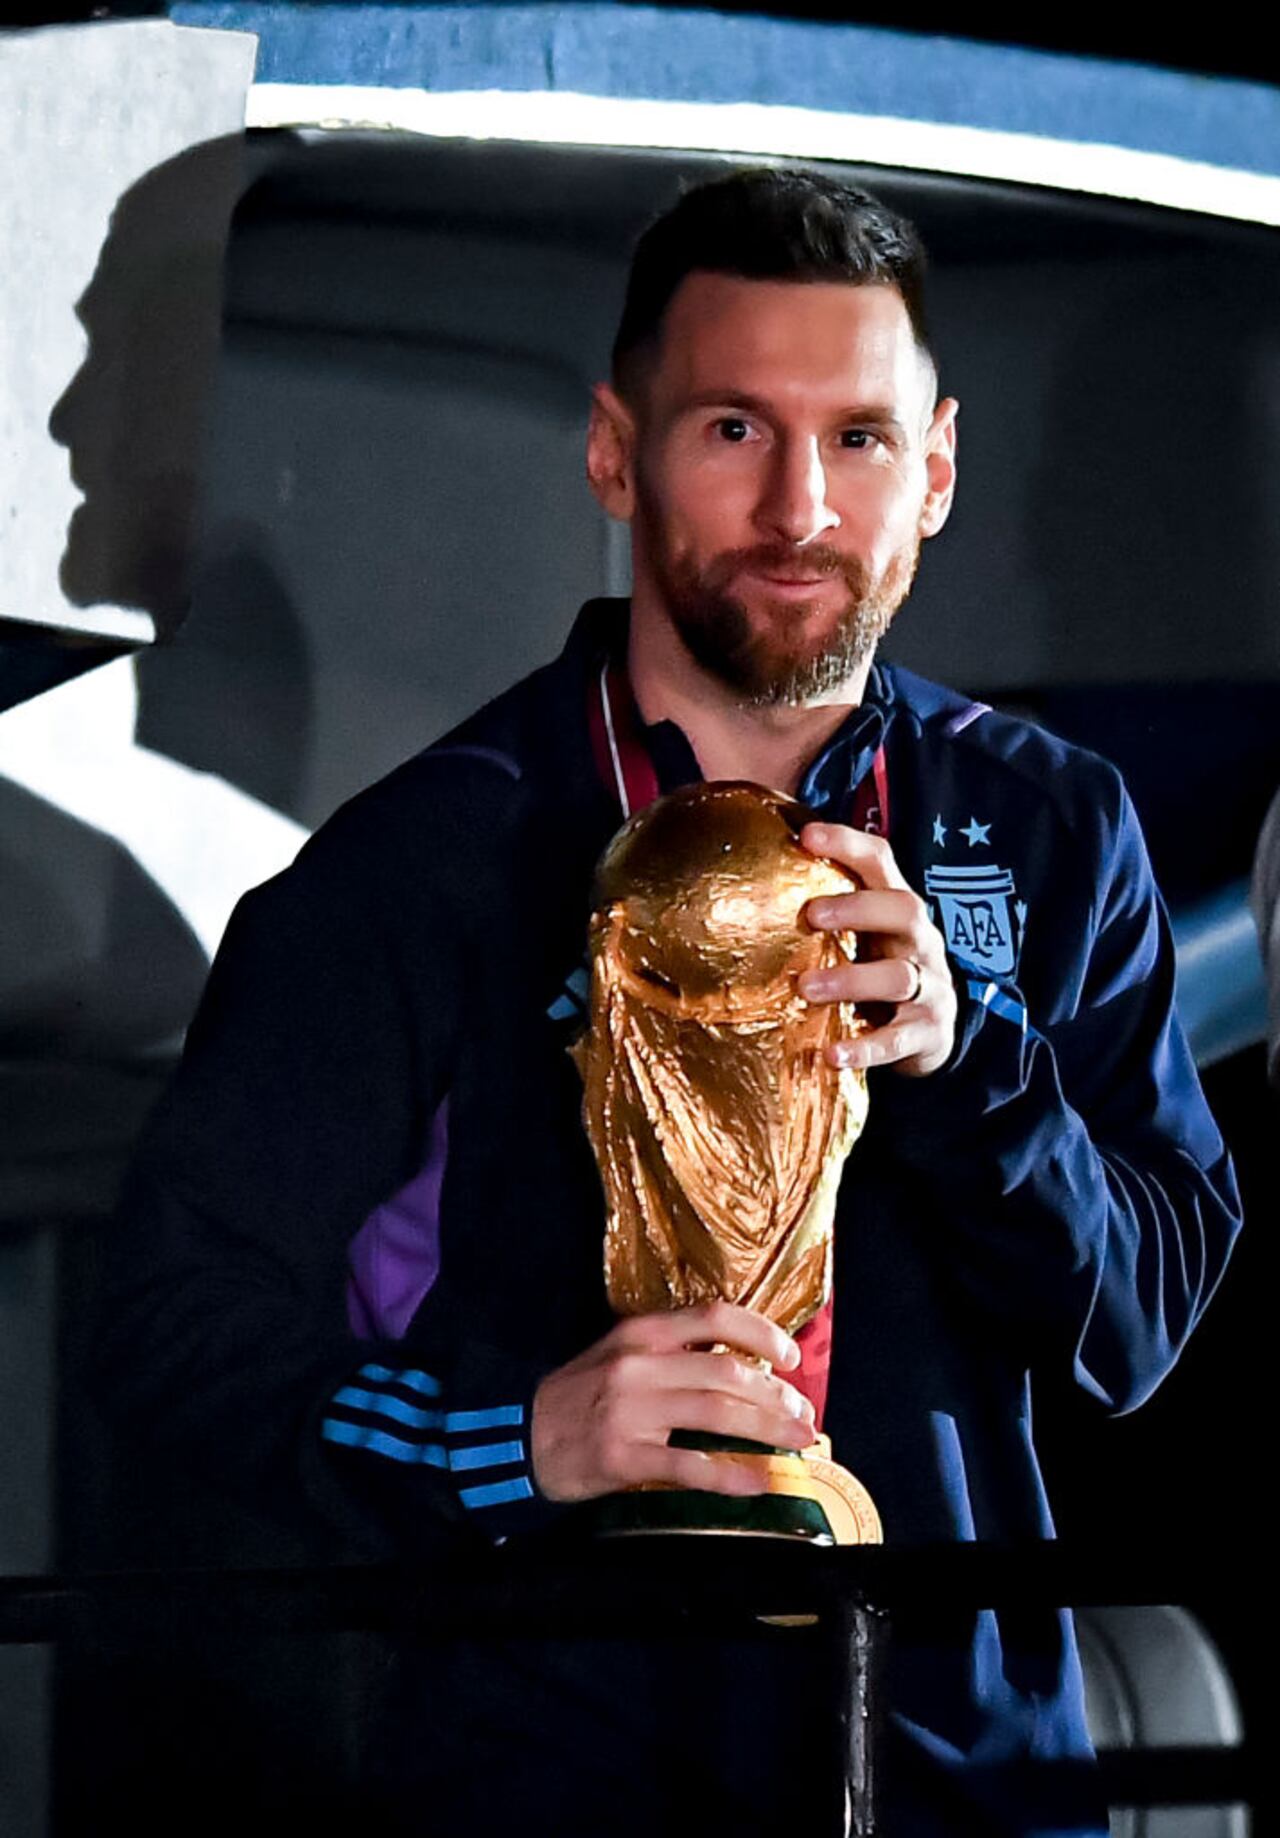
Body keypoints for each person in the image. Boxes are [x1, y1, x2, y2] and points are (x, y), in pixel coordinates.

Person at [102, 169, 1242, 1836]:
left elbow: (1141, 1330)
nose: (801, 504)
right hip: (550, 1776)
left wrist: (969, 1058)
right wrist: (516, 1439)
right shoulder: (427, 856)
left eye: (858, 437)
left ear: (933, 470)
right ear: (615, 452)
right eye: (732, 429)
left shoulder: (1056, 825)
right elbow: (169, 1328)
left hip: (962, 1781)